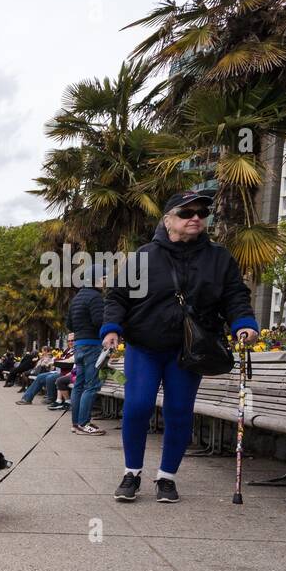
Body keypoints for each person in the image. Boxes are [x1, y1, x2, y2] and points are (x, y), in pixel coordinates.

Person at [101, 191, 258, 502]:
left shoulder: (219, 258)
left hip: (189, 350)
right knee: (137, 406)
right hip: (145, 346)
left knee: (178, 411)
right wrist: (111, 330)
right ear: (168, 219)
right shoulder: (144, 256)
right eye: (187, 212)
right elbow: (118, 297)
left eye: (201, 212)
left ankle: (166, 477)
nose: (196, 217)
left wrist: (244, 324)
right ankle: (131, 473)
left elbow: (235, 297)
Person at [69, 268, 108, 435]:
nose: (106, 282)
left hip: (78, 345)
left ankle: (76, 424)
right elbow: (99, 321)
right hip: (92, 345)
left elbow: (69, 325)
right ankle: (84, 424)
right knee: (92, 385)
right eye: (104, 278)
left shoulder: (76, 298)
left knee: (79, 385)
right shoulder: (96, 297)